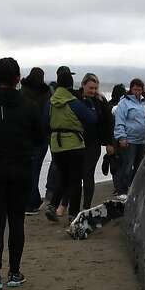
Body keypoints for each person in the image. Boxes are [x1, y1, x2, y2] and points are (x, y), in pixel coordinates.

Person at [0, 57, 45, 290]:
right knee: (16, 221)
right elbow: (38, 137)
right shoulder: (29, 105)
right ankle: (14, 272)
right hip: (20, 167)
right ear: (17, 78)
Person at [44, 66, 98, 223]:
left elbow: (44, 122)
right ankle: (73, 214)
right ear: (71, 85)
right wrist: (91, 104)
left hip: (56, 145)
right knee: (75, 179)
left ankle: (53, 205)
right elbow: (91, 119)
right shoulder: (74, 102)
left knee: (62, 175)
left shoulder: (50, 103)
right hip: (74, 144)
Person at [75, 73, 114, 211]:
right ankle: (70, 205)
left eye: (95, 88)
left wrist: (109, 143)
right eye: (90, 88)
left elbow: (109, 122)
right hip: (76, 142)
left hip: (94, 143)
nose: (93, 91)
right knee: (75, 174)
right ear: (83, 85)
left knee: (88, 173)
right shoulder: (75, 98)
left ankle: (86, 206)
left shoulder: (100, 100)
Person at [20, 67, 51, 212]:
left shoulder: (22, 92)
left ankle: (31, 201)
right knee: (35, 171)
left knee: (28, 170)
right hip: (42, 136)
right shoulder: (47, 94)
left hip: (25, 136)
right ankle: (33, 200)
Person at [113, 78, 145, 194]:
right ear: (131, 89)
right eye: (135, 89)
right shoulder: (124, 102)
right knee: (126, 167)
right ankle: (121, 191)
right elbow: (120, 121)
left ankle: (134, 190)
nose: (137, 92)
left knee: (139, 168)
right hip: (129, 140)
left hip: (142, 141)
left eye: (139, 89)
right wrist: (121, 137)